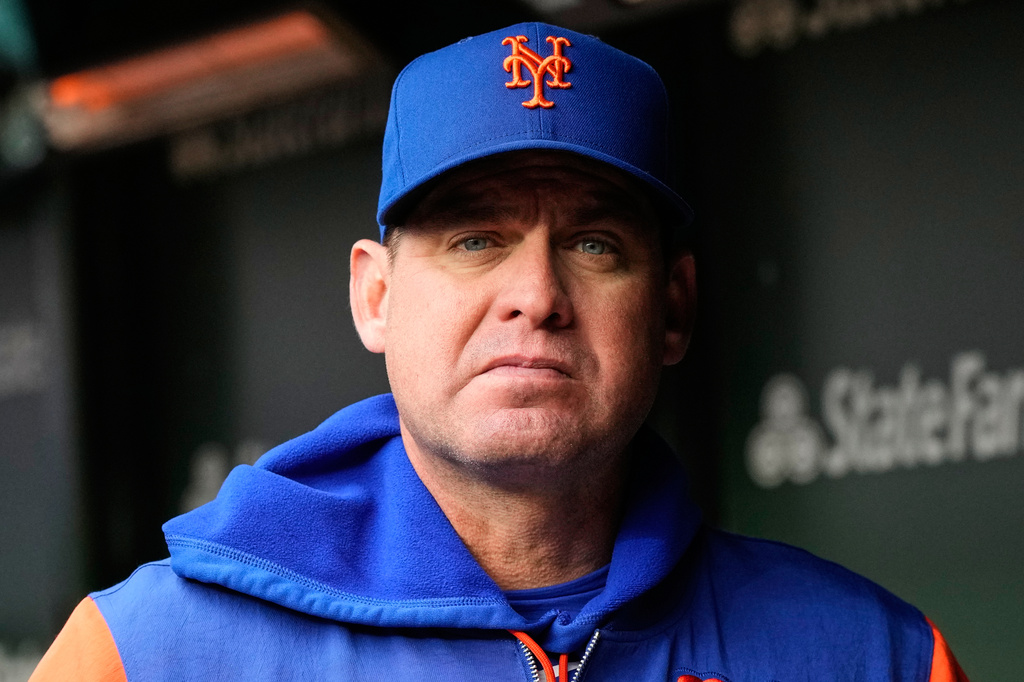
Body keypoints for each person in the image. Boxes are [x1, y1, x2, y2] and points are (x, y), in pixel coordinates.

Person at [31, 21, 967, 682]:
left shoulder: (868, 657)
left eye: (595, 244)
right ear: (377, 297)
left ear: (673, 307)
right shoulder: (149, 655)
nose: (536, 296)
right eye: (475, 240)